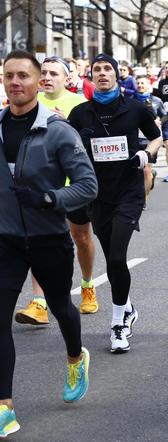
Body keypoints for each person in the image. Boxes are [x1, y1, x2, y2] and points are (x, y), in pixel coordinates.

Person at [0, 50, 98, 438]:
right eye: (9, 75)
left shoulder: (58, 130)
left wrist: (50, 199)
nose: (15, 82)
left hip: (48, 237)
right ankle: (4, 405)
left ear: (39, 81)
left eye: (23, 75)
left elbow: (89, 186)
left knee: (60, 306)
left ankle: (76, 356)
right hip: (5, 239)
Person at [68, 54, 162, 353]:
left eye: (108, 69)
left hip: (129, 192)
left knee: (118, 258)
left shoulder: (135, 108)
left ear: (117, 75)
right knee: (112, 260)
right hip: (98, 194)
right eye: (97, 70)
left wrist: (146, 154)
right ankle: (128, 307)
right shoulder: (81, 113)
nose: (103, 74)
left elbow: (156, 137)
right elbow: (65, 148)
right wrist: (76, 143)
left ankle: (119, 323)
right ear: (91, 76)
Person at [14, 55, 99, 326]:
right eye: (44, 73)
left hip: (72, 188)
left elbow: (91, 147)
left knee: (81, 237)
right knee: (36, 241)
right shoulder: (28, 105)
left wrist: (66, 127)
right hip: (39, 188)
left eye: (54, 73)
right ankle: (39, 303)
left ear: (66, 79)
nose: (47, 78)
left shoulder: (80, 105)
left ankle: (87, 284)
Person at [134, 75, 166, 203]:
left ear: (149, 85)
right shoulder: (130, 100)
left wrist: (159, 121)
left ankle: (144, 199)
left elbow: (165, 116)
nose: (140, 85)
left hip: (150, 140)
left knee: (146, 169)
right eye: (138, 83)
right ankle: (151, 176)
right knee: (137, 171)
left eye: (143, 83)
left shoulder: (156, 101)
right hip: (134, 139)